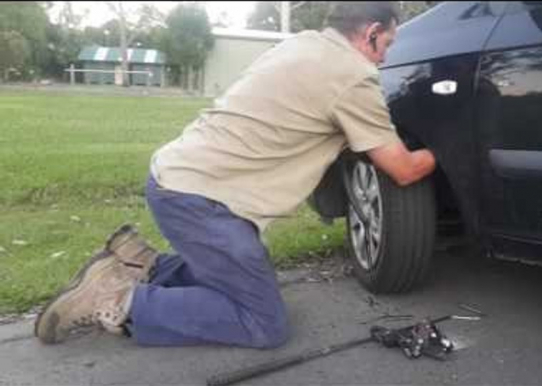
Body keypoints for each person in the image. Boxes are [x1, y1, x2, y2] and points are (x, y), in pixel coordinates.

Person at [34, 1, 436, 347]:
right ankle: (120, 299)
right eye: (386, 46)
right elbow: (402, 169)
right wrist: (441, 153)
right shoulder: (353, 74)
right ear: (371, 33)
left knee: (243, 267)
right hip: (201, 202)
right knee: (264, 323)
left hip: (176, 178)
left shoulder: (303, 44)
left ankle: (142, 264)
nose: (385, 57)